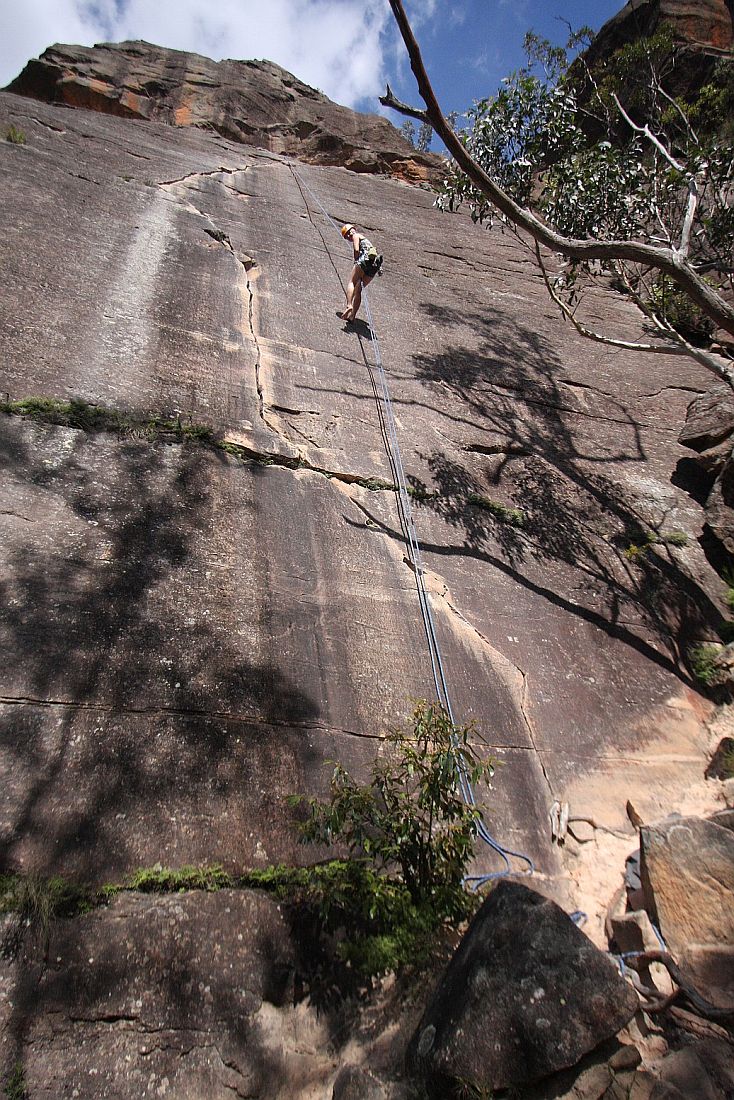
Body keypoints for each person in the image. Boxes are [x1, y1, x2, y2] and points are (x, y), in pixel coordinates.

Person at [339, 224, 382, 322]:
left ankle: (349, 305)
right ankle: (352, 316)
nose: (349, 239)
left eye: (347, 238)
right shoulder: (368, 242)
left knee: (352, 282)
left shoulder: (356, 236)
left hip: (364, 260)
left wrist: (356, 260)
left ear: (350, 233)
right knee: (358, 289)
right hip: (374, 266)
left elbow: (356, 249)